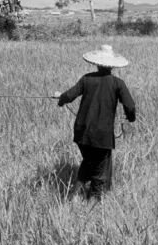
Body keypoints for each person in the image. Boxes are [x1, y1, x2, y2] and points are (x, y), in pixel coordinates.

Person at [53, 45, 136, 201]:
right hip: (101, 135)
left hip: (81, 131)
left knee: (89, 161)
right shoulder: (118, 83)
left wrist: (60, 99)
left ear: (97, 64)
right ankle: (94, 201)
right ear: (112, 66)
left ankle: (75, 197)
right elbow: (130, 106)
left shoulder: (87, 79)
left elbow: (69, 96)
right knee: (99, 168)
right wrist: (130, 118)